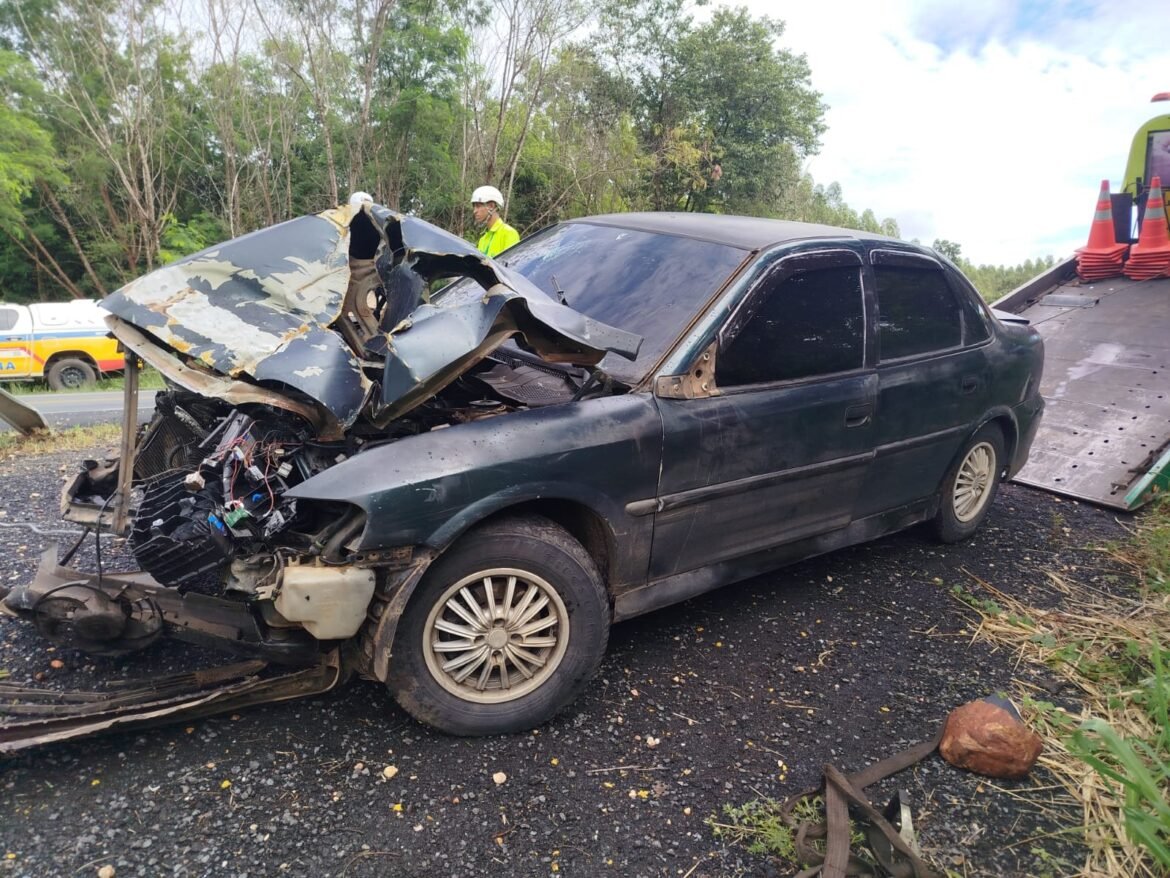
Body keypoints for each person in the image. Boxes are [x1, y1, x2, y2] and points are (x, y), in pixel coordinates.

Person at [471, 185, 520, 257]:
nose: (474, 211)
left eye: (478, 206)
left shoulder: (509, 233)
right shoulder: (483, 239)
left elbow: (512, 265)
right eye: (474, 207)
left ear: (491, 206)